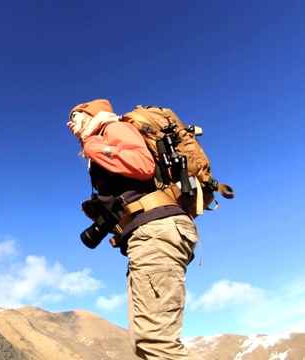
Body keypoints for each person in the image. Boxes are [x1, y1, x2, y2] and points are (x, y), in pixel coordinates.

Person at [67, 99, 204, 360]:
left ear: (91, 114)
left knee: (156, 343)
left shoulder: (112, 128)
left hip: (155, 230)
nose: (69, 121)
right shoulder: (106, 134)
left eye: (75, 115)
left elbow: (143, 165)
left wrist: (92, 143)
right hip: (147, 235)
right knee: (143, 344)